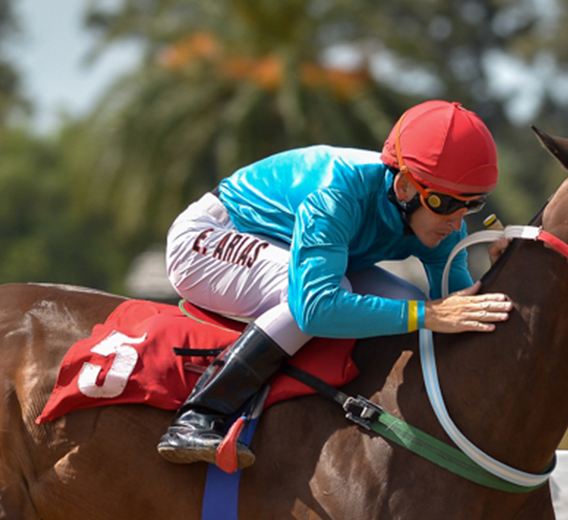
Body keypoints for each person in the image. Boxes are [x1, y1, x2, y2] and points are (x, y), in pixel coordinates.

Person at [157, 99, 515, 468]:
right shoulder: (337, 193)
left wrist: (506, 273)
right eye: (446, 204)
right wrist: (428, 313)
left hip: (295, 245)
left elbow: (459, 310)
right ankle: (199, 415)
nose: (457, 223)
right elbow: (315, 309)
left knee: (407, 298)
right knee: (335, 296)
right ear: (404, 187)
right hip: (210, 237)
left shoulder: (441, 223)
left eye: (471, 205)